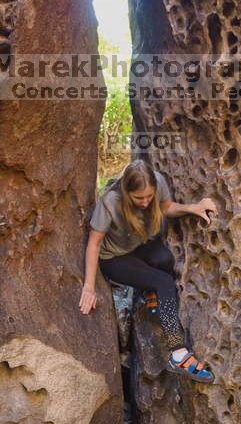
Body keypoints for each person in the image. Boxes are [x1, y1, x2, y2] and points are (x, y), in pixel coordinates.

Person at [79, 159, 218, 383]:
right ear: (126, 191)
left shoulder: (158, 182)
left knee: (165, 258)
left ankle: (152, 298)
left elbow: (166, 207)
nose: (145, 202)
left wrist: (193, 207)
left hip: (137, 247)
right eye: (138, 198)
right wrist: (89, 286)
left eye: (148, 197)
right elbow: (94, 244)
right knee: (163, 282)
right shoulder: (110, 203)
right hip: (113, 258)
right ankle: (179, 354)